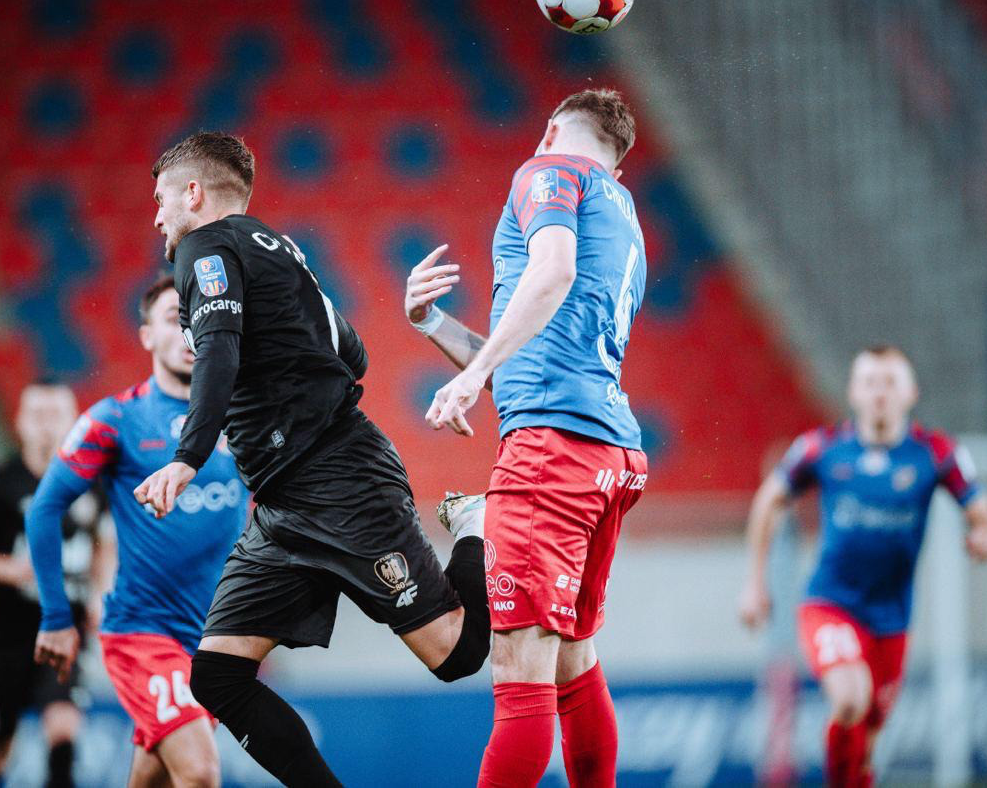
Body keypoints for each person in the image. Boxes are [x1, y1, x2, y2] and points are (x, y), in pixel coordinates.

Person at [130, 132, 490, 787]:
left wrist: (188, 457)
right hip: (283, 501)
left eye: (160, 199)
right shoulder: (279, 247)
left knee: (456, 655)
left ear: (194, 193)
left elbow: (218, 351)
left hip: (338, 479)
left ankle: (475, 528)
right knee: (218, 674)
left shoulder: (205, 249)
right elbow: (353, 353)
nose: (156, 217)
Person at [409, 87, 649, 788]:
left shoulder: (548, 170)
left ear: (549, 132)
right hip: (609, 453)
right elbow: (535, 357)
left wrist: (470, 375)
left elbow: (553, 270)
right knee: (573, 658)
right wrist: (432, 324)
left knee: (520, 671)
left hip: (552, 454)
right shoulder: (623, 212)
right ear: (618, 164)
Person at [738, 345, 987, 787]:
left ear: (911, 392)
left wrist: (985, 538)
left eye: (890, 382)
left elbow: (985, 516)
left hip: (892, 620)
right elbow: (769, 499)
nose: (880, 392)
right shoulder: (822, 447)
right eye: (870, 382)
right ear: (853, 392)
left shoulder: (936, 453)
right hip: (830, 604)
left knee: (866, 745)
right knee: (849, 699)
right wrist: (754, 583)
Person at [28, 276, 248, 788]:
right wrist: (56, 617)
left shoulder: (241, 415)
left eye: (196, 319)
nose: (189, 331)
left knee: (156, 780)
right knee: (199, 772)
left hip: (215, 642)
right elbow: (44, 507)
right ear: (146, 335)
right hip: (145, 634)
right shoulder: (115, 419)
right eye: (174, 319)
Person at [0, 380, 104, 788]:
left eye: (56, 414)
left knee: (63, 731)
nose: (47, 424)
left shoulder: (91, 480)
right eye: (37, 414)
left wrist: (100, 595)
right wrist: (13, 570)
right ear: (19, 422)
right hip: (9, 637)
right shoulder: (1, 483)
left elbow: (106, 542)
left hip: (66, 634)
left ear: (74, 421)